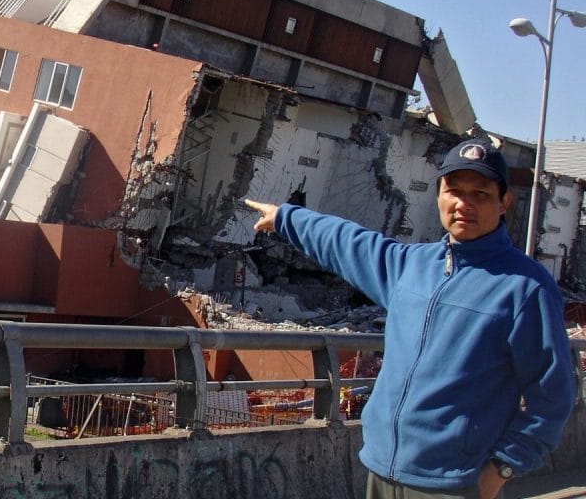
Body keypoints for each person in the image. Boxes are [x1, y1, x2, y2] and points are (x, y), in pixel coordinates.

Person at [245, 140, 576, 499]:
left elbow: (553, 397)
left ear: (504, 203)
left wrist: (501, 469)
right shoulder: (411, 266)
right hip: (381, 469)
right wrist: (286, 218)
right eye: (454, 191)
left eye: (480, 194)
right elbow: (347, 243)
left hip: (453, 482)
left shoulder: (525, 287)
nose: (464, 204)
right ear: (438, 196)